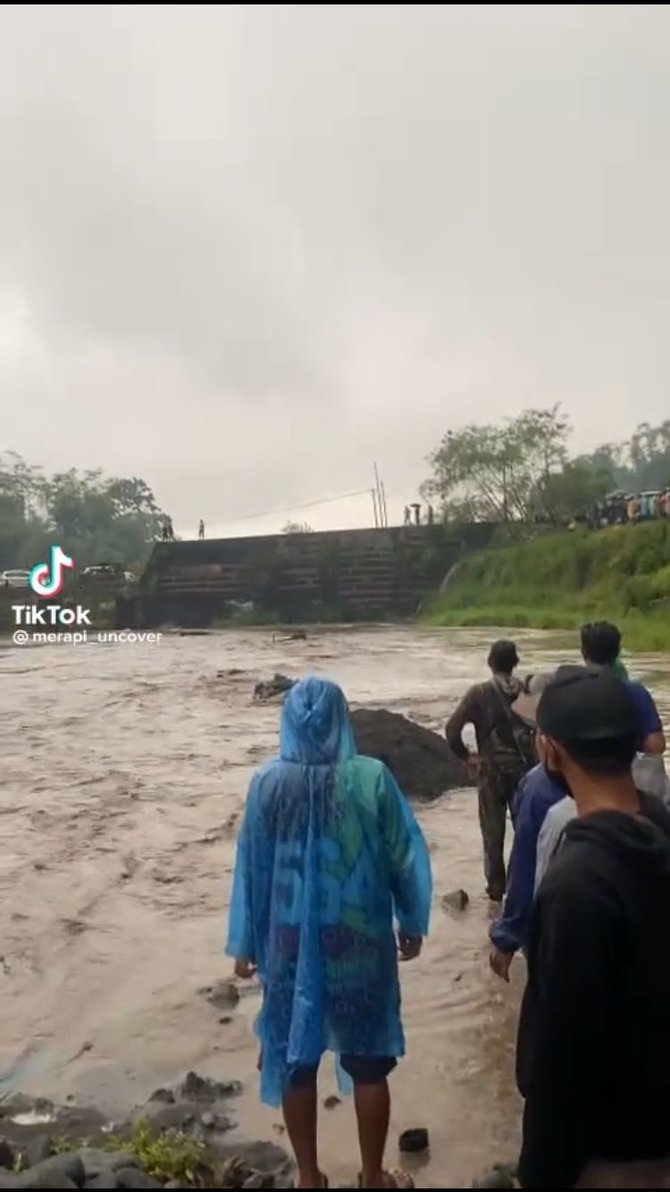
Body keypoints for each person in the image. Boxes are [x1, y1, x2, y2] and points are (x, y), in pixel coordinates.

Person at [226, 677, 431, 1190]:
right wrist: (411, 919)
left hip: (288, 943)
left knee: (296, 1057)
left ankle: (309, 1178)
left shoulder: (266, 784)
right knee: (369, 1061)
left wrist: (247, 944)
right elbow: (403, 856)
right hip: (359, 940)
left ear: (289, 721)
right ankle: (370, 1177)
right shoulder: (372, 779)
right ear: (343, 719)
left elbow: (253, 868)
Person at [516, 666, 670, 1189]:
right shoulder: (657, 832)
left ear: (551, 751)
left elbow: (562, 1058)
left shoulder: (576, 886)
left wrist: (539, 1172)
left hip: (613, 1153)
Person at [446, 640, 534, 901]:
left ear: (490, 662)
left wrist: (466, 756)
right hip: (525, 773)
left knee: (493, 837)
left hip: (491, 773)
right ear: (515, 662)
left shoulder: (479, 693)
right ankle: (526, 889)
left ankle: (496, 895)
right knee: (526, 833)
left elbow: (452, 729)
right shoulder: (526, 691)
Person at [580, 622, 665, 754]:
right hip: (626, 768)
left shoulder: (569, 691)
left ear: (584, 652)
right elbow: (656, 745)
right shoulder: (636, 692)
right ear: (617, 652)